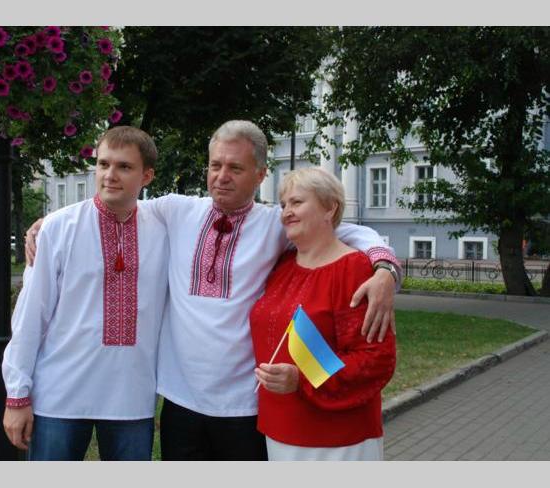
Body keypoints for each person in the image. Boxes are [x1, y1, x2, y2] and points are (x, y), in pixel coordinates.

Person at [26, 120, 401, 461]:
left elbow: (347, 230)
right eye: (215, 165)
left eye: (235, 168)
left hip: (244, 405)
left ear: (260, 175)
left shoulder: (274, 223)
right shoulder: (175, 210)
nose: (222, 176)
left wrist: (385, 268)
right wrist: (48, 224)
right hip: (180, 402)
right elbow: (116, 201)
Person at [2, 126, 169, 460]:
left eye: (124, 166)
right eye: (103, 164)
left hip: (131, 397)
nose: (110, 175)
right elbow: (31, 314)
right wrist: (17, 395)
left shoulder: (165, 229)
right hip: (60, 395)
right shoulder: (59, 227)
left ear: (147, 176)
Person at [250, 167, 396, 460]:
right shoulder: (283, 267)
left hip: (337, 438)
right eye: (283, 205)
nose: (286, 212)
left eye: (297, 202)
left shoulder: (354, 270)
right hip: (278, 428)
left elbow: (376, 359)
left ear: (330, 208)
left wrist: (301, 380)